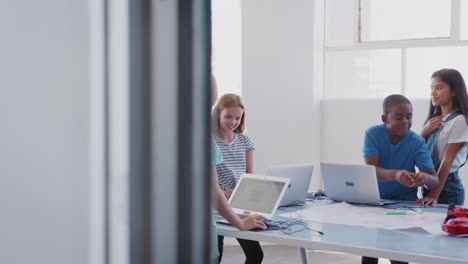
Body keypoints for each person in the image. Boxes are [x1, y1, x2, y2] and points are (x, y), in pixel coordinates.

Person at [362, 94, 439, 264]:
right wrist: (395, 175)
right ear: (385, 119)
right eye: (399, 117)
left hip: (404, 205)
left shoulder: (417, 142)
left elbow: (435, 180)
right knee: (369, 250)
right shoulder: (372, 134)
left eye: (409, 117)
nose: (405, 121)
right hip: (375, 201)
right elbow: (371, 171)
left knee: (398, 254)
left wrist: (425, 177)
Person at [210, 76, 266, 263]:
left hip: (240, 202)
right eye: (228, 116)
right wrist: (222, 191)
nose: (233, 122)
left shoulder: (244, 140)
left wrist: (244, 189)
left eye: (237, 118)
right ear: (218, 113)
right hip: (217, 205)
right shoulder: (209, 141)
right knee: (216, 255)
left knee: (256, 255)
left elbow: (250, 177)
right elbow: (213, 185)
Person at [417, 69, 468, 206]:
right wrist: (423, 132)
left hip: (447, 189)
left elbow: (448, 160)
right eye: (431, 88)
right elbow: (416, 150)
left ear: (454, 91)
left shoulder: (459, 121)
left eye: (438, 88)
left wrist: (434, 195)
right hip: (428, 183)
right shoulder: (434, 120)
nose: (433, 93)